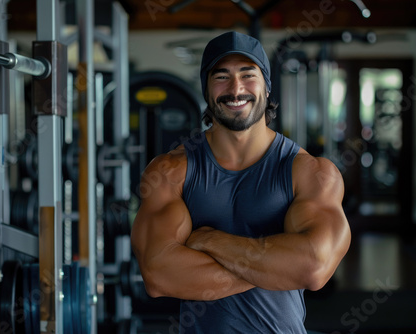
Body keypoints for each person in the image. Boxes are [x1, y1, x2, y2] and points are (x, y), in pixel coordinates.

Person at [131, 31, 351, 333]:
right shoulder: (170, 172)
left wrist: (209, 240)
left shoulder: (311, 172)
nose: (236, 89)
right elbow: (158, 275)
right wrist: (280, 267)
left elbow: (312, 268)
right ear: (206, 89)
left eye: (248, 75)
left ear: (266, 86)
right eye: (221, 77)